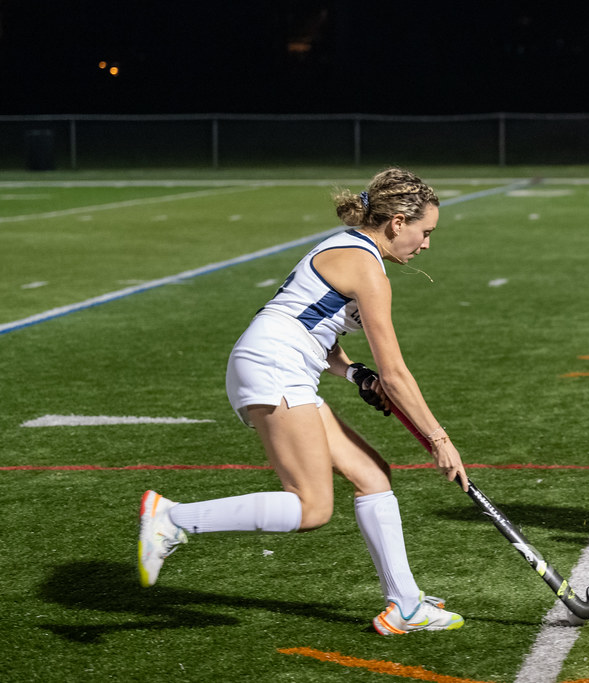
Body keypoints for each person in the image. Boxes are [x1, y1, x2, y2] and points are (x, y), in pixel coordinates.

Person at [137, 168, 469, 636]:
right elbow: (394, 371)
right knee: (312, 508)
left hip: (276, 361)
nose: (427, 244)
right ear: (397, 222)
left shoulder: (346, 246)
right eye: (425, 232)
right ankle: (173, 519)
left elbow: (316, 332)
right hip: (273, 367)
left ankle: (405, 605)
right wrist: (439, 438)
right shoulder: (367, 268)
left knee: (372, 474)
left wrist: (354, 373)